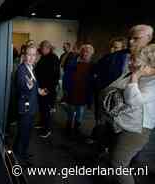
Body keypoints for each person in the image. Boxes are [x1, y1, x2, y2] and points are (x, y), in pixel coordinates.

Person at [106, 44, 155, 184]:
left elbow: (133, 101)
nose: (129, 62)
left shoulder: (151, 81)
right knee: (115, 158)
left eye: (134, 60)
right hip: (124, 122)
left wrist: (135, 76)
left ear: (147, 64)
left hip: (138, 129)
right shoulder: (140, 75)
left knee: (119, 163)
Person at [13, 44, 46, 167]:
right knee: (24, 133)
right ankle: (20, 159)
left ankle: (19, 152)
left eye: (34, 55)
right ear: (24, 56)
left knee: (23, 132)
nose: (31, 57)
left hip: (31, 106)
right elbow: (21, 86)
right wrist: (29, 87)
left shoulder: (31, 67)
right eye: (29, 55)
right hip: (26, 107)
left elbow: (33, 84)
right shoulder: (22, 69)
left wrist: (38, 90)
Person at [63, 44, 95, 136]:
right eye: (84, 51)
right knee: (71, 109)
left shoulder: (92, 66)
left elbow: (93, 81)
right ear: (81, 52)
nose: (85, 53)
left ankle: (77, 127)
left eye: (88, 52)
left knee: (80, 111)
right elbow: (66, 76)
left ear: (91, 54)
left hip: (83, 92)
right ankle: (69, 126)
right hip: (72, 90)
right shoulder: (73, 62)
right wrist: (65, 88)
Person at [34, 40, 60, 138]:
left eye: (42, 48)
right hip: (41, 87)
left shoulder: (54, 58)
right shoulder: (44, 57)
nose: (40, 49)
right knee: (42, 108)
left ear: (47, 48)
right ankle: (42, 124)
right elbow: (38, 70)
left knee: (46, 110)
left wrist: (47, 89)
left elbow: (55, 77)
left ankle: (47, 129)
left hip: (48, 89)